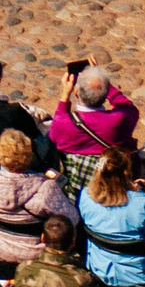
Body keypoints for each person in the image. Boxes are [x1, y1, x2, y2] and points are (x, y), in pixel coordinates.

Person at [75, 148, 145, 287]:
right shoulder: (140, 204)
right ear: (125, 172)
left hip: (100, 265)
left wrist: (134, 189)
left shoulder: (85, 196)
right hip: (138, 272)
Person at [47, 65, 138, 197]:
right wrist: (106, 86)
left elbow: (53, 135)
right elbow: (128, 107)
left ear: (76, 92)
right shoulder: (119, 120)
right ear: (105, 94)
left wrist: (65, 94)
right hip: (114, 181)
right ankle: (144, 191)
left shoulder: (63, 123)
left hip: (77, 186)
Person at [0, 130, 74, 273]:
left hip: (2, 249)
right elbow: (72, 220)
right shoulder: (46, 187)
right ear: (30, 154)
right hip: (36, 255)